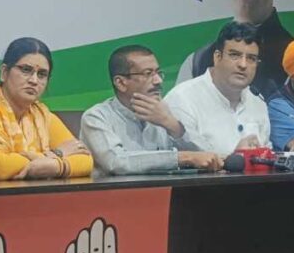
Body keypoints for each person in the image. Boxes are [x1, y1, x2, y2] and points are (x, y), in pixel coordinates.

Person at [0, 37, 93, 183]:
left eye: (42, 74)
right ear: (4, 72)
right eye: (26, 70)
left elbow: (86, 160)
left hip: (28, 196)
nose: (34, 80)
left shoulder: (40, 114)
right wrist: (56, 154)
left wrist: (55, 166)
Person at [80, 45, 223, 175]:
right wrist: (182, 157)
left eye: (158, 73)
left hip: (166, 193)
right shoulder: (96, 117)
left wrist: (173, 126)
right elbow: (116, 162)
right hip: (117, 195)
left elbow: (211, 157)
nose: (158, 80)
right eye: (148, 74)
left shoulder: (164, 111)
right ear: (121, 83)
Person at [165, 22, 270, 155]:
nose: (243, 65)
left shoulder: (258, 102)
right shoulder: (182, 99)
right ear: (217, 57)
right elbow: (186, 156)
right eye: (234, 55)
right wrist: (234, 158)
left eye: (251, 58)